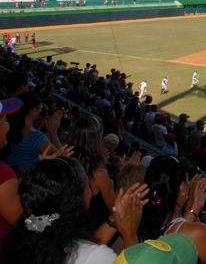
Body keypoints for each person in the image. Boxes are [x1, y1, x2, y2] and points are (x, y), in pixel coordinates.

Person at [4, 157, 147, 264]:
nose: (90, 190)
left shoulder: (30, 225)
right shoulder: (94, 256)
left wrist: (114, 219)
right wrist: (130, 235)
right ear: (76, 199)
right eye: (87, 185)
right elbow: (90, 254)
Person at [139, 155, 206, 264]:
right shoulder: (197, 233)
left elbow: (175, 228)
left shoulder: (142, 216)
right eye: (188, 180)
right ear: (182, 188)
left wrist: (192, 207)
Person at [69, 116, 117, 230]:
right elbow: (115, 209)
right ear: (96, 141)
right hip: (79, 231)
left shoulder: (64, 158)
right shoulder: (99, 174)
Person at [6, 92, 69, 175]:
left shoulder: (9, 124)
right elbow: (64, 161)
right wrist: (53, 132)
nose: (41, 110)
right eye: (39, 107)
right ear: (32, 110)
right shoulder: (37, 137)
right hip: (19, 178)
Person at [0, 98, 24, 255]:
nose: (8, 124)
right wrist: (55, 219)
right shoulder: (3, 174)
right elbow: (26, 223)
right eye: (4, 119)